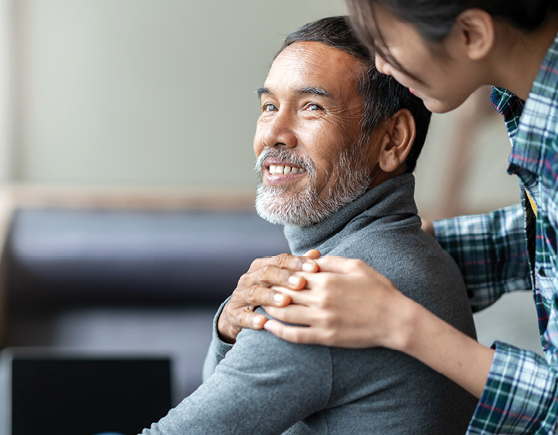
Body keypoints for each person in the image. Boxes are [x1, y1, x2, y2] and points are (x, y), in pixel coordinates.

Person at [220, 1, 558, 433]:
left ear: (472, 34)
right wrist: (415, 257)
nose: (382, 63)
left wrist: (400, 320)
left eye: (389, 41)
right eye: (268, 105)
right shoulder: (528, 106)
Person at [140, 16, 478, 434]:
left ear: (392, 141)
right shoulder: (414, 254)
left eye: (311, 107)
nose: (274, 135)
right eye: (268, 106)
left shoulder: (327, 294)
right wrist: (231, 326)